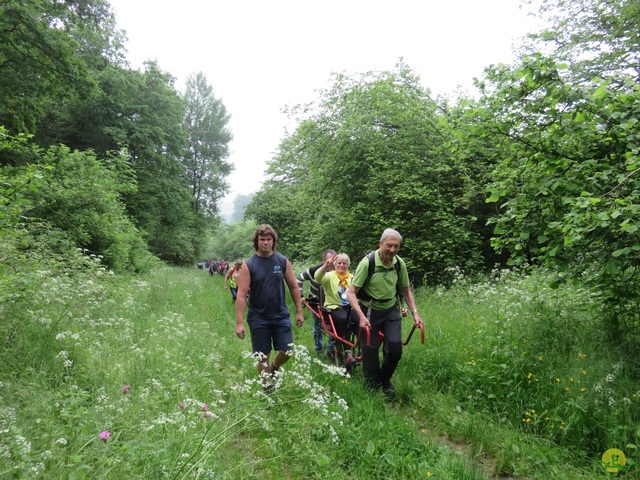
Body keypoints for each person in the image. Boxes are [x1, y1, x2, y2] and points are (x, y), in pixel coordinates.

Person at [347, 228, 423, 400]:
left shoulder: (398, 263)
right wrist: (361, 316)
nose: (393, 250)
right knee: (370, 349)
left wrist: (415, 313)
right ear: (380, 244)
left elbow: (405, 289)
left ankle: (384, 380)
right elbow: (351, 293)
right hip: (370, 310)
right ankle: (372, 387)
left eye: (396, 247)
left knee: (395, 350)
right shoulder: (368, 263)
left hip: (391, 310)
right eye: (389, 245)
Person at [235, 224, 304, 389]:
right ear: (256, 242)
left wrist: (299, 312)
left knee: (287, 351)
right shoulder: (249, 265)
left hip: (280, 315)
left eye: (268, 239)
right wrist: (239, 322)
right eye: (262, 239)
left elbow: (294, 287)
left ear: (273, 241)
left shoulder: (282, 261)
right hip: (258, 317)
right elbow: (241, 295)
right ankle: (267, 388)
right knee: (262, 356)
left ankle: (274, 368)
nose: (265, 242)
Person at [314, 252, 358, 366]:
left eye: (345, 263)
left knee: (360, 320)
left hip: (351, 307)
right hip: (335, 307)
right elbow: (317, 277)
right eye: (339, 263)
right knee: (345, 318)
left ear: (348, 265)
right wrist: (325, 266)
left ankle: (362, 349)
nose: (342, 265)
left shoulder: (353, 278)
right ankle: (348, 352)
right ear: (335, 264)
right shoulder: (330, 276)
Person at [296, 249, 336, 356]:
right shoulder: (314, 270)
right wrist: (301, 296)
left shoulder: (338, 271)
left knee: (333, 327)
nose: (331, 263)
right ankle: (319, 350)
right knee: (318, 326)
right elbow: (299, 279)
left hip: (332, 303)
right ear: (323, 260)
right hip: (316, 303)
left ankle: (331, 350)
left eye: (334, 260)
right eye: (329, 260)